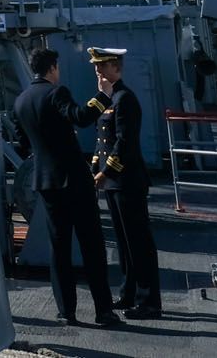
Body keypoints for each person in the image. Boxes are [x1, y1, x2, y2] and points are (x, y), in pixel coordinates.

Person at [10, 48, 120, 327]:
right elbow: (80, 117)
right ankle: (103, 311)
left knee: (58, 248)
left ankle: (66, 312)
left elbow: (22, 141)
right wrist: (104, 95)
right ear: (52, 68)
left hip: (45, 183)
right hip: (74, 181)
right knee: (91, 245)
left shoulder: (21, 101)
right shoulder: (55, 93)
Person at [88, 46, 162, 320]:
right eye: (96, 66)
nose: (97, 70)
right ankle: (128, 292)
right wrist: (96, 165)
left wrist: (105, 171)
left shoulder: (125, 99)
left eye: (102, 65)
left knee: (138, 242)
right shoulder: (110, 99)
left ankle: (149, 301)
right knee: (123, 242)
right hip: (113, 183)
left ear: (115, 67)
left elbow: (124, 142)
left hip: (127, 180)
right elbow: (102, 140)